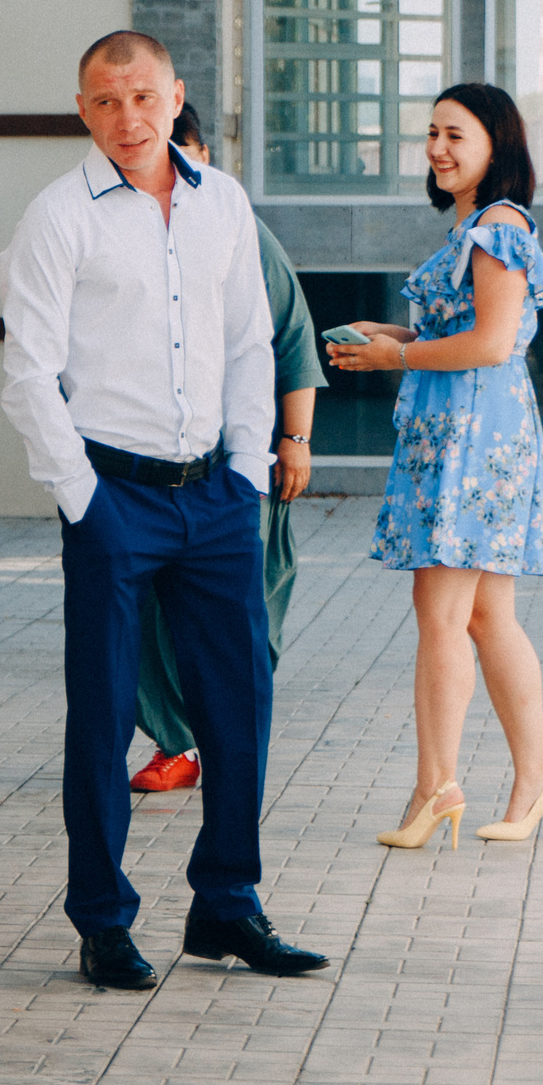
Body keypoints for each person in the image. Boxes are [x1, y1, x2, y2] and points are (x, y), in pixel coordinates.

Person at [0, 30, 329, 990]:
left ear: (176, 94)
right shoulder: (61, 216)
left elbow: (250, 342)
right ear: (83, 111)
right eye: (105, 101)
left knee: (240, 708)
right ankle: (102, 919)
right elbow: (28, 374)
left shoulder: (221, 201)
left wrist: (245, 469)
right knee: (103, 718)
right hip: (113, 498)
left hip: (216, 499)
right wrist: (84, 500)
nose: (127, 118)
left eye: (143, 96)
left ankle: (227, 904)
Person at [325, 83, 543, 853]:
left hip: (473, 436)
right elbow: (465, 330)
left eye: (455, 135)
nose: (436, 148)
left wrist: (396, 353)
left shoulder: (497, 226)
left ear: (497, 144)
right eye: (431, 133)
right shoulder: (475, 223)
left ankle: (437, 785)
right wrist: (388, 332)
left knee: (441, 614)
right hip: (464, 430)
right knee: (487, 615)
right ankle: (538, 774)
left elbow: (494, 342)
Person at [127, 105, 324, 793]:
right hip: (146, 468)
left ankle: (225, 739)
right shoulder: (117, 227)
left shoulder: (242, 229)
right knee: (153, 612)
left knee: (241, 606)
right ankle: (175, 742)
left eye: (177, 152)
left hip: (239, 461)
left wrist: (292, 443)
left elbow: (293, 339)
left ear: (202, 152)